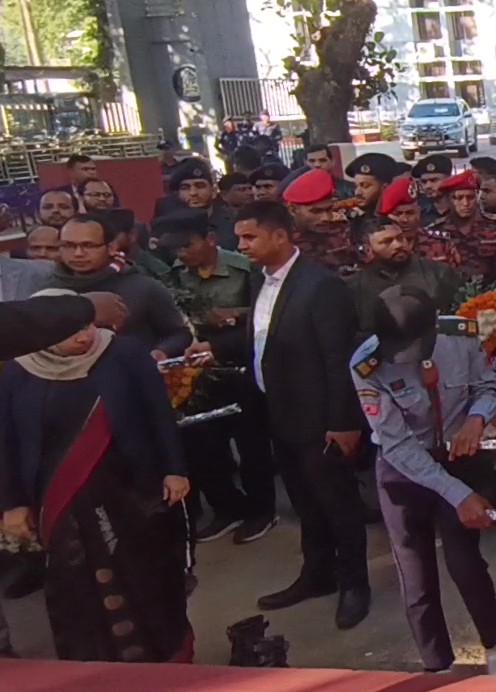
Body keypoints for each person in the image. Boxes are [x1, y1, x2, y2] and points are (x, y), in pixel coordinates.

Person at [198, 201, 371, 629]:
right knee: (304, 502)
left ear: (280, 236)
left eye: (249, 237)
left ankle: (355, 584)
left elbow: (339, 360)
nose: (241, 246)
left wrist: (343, 422)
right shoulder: (262, 280)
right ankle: (317, 574)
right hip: (279, 412)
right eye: (239, 237)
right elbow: (264, 335)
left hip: (321, 419)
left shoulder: (321, 286)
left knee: (338, 504)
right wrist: (214, 348)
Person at [0, 290, 191, 663]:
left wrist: (174, 470)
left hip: (131, 495)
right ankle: (94, 667)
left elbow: (160, 417)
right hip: (61, 505)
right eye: (69, 329)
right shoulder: (18, 373)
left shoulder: (125, 354)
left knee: (145, 576)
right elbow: (6, 442)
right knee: (77, 587)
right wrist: (12, 504)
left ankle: (165, 659)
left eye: (87, 325)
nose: (84, 336)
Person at [352, 286, 496, 677]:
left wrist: (476, 418)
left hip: (459, 457)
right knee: (415, 573)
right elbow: (398, 445)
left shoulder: (461, 335)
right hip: (404, 470)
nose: (405, 359)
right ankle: (437, 665)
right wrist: (458, 495)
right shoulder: (366, 366)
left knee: (465, 562)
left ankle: (494, 646)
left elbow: (487, 387)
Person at [154, 212, 279, 545]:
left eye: (187, 245)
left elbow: (269, 313)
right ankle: (228, 508)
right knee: (204, 447)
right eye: (175, 249)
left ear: (210, 238)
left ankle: (262, 510)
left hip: (241, 366)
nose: (182, 254)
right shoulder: (174, 275)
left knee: (251, 446)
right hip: (196, 373)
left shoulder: (246, 269)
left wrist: (236, 316)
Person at [50, 215, 191, 357]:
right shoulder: (48, 289)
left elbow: (179, 334)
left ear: (111, 247)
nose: (78, 253)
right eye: (68, 245)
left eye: (88, 245)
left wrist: (162, 351)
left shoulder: (145, 287)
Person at [350, 215, 463, 333]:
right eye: (387, 242)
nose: (398, 245)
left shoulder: (439, 273)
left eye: (400, 238)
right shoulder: (355, 287)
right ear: (368, 250)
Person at [421, 170, 496, 282]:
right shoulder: (434, 232)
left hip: (492, 289)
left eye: (470, 197)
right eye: (458, 198)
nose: (465, 203)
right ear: (448, 200)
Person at [282, 168, 360, 274]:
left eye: (329, 209)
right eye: (316, 211)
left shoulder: (341, 229)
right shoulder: (281, 240)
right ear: (293, 209)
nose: (325, 217)